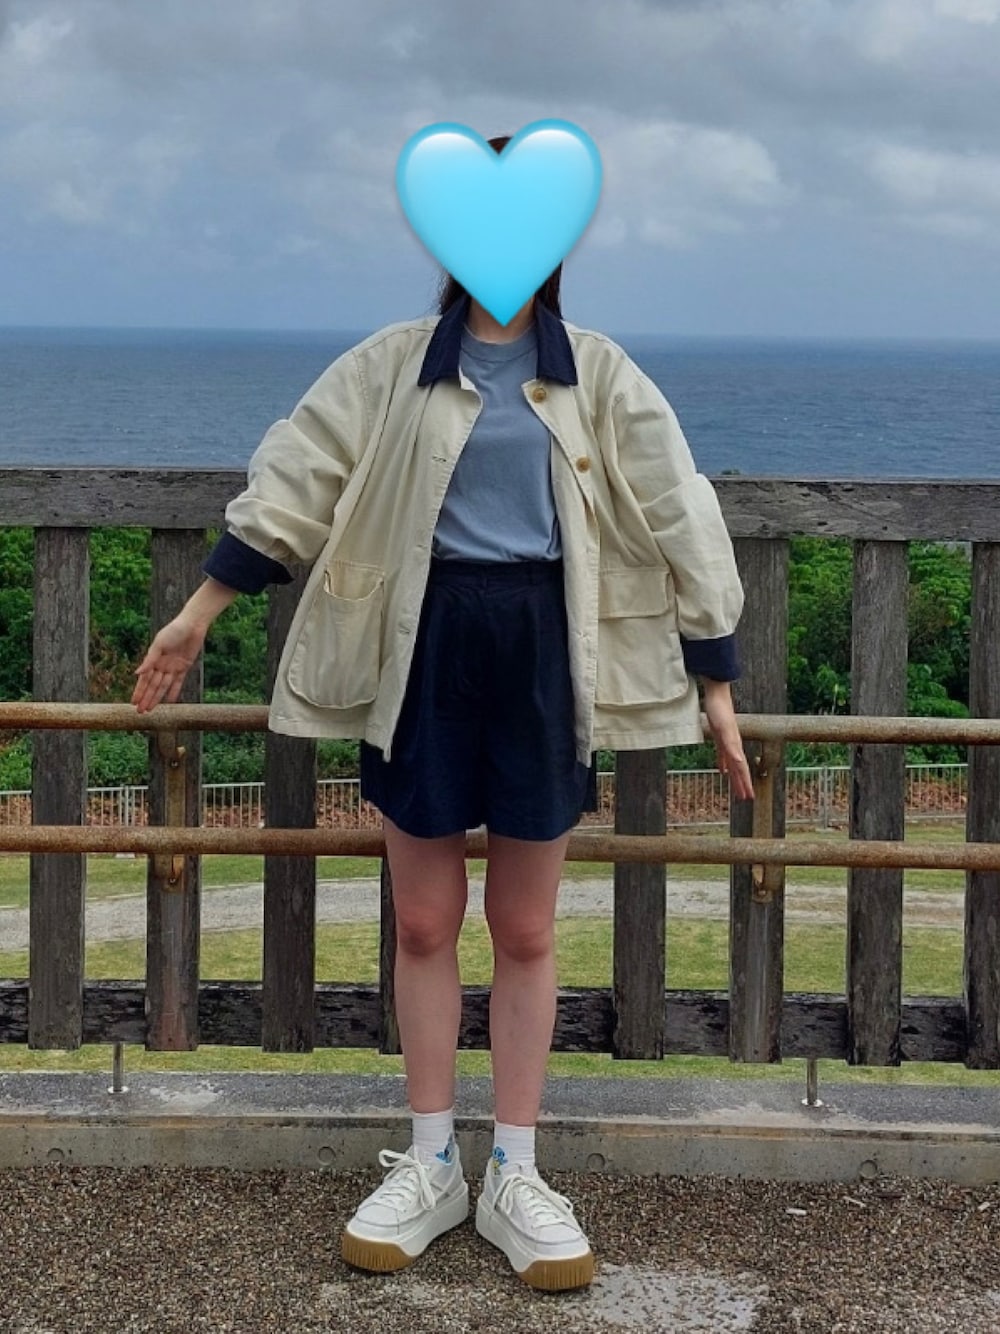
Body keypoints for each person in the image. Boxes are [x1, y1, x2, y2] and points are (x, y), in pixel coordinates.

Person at [132, 136, 752, 1293]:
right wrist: (200, 610)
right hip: (420, 651)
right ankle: (429, 1160)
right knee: (422, 920)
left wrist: (715, 679)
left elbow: (683, 508)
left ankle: (515, 1166)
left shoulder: (600, 372)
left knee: (524, 927)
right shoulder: (390, 365)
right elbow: (298, 473)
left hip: (542, 656)